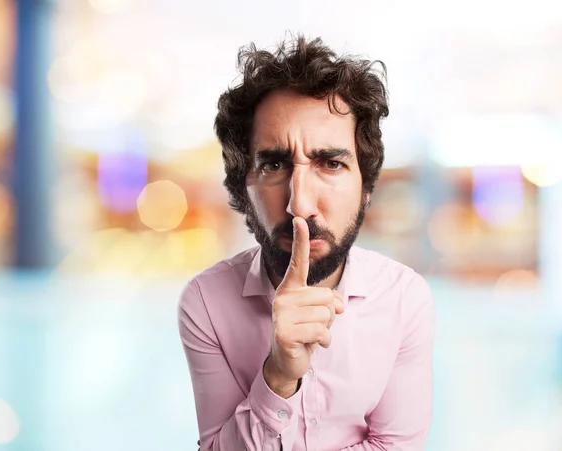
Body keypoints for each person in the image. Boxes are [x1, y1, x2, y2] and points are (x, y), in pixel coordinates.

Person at [177, 34, 435, 451]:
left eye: (330, 163)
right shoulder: (205, 301)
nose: (300, 205)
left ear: (366, 186)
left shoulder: (404, 299)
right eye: (275, 164)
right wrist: (278, 375)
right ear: (243, 186)